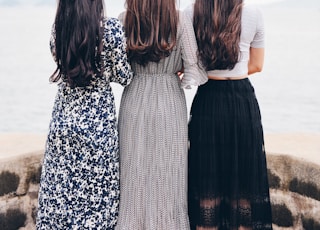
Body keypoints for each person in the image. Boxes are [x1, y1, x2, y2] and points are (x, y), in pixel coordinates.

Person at [36, 0, 133, 229]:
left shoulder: (59, 28)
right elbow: (124, 75)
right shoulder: (110, 29)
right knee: (97, 202)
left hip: (63, 118)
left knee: (60, 196)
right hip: (97, 123)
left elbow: (60, 60)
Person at [115, 0, 207, 229]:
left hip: (135, 97)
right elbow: (194, 67)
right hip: (169, 101)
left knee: (133, 169)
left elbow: (119, 69)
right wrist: (176, 72)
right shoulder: (179, 18)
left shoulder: (124, 19)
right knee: (169, 172)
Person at [184, 0, 273, 229]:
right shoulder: (253, 12)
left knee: (206, 180)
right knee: (243, 180)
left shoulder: (191, 11)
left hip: (208, 99)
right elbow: (257, 65)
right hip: (241, 100)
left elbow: (186, 64)